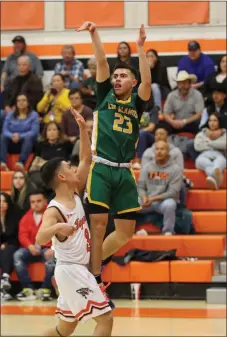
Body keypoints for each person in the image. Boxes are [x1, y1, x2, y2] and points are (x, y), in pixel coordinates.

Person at [76, 22, 151, 290]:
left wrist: (140, 48)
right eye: (116, 76)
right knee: (98, 227)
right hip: (102, 168)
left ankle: (87, 267)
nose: (117, 79)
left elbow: (147, 81)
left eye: (123, 76)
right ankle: (94, 279)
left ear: (132, 82)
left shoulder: (137, 102)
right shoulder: (104, 94)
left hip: (125, 170)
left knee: (124, 233)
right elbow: (102, 62)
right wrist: (95, 34)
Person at [35, 108, 113, 337]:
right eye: (68, 168)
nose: (73, 168)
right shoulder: (54, 209)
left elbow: (86, 158)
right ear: (61, 177)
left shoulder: (75, 192)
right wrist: (58, 227)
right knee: (105, 319)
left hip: (77, 270)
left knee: (65, 329)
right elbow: (40, 238)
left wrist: (82, 129)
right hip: (70, 271)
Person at [14, 190, 55, 301]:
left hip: (47, 248)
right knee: (18, 255)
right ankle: (28, 289)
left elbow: (58, 234)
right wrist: (29, 246)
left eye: (38, 201)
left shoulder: (53, 214)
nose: (35, 204)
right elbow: (22, 235)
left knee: (52, 258)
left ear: (45, 201)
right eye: (32, 202)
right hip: (31, 248)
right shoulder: (26, 217)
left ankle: (46, 289)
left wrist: (52, 249)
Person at [138, 140, 183, 235]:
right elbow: (141, 186)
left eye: (162, 149)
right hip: (147, 201)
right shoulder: (147, 167)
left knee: (170, 204)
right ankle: (129, 230)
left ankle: (168, 232)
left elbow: (173, 192)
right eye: (157, 149)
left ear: (168, 152)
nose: (159, 151)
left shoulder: (176, 169)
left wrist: (153, 199)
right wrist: (144, 197)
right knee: (128, 203)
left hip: (163, 202)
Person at [1, 93, 40, 171]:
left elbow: (34, 132)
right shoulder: (10, 114)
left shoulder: (34, 115)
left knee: (29, 137)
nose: (21, 102)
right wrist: (12, 135)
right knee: (2, 137)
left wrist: (19, 136)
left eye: (23, 100)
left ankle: (21, 163)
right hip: (11, 141)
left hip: (27, 142)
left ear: (28, 102)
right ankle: (2, 163)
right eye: (18, 101)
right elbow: (5, 130)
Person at [0, 192, 23, 301]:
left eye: (4, 201)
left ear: (8, 203)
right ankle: (4, 283)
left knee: (8, 250)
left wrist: (6, 244)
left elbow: (16, 236)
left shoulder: (14, 216)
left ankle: (4, 278)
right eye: (0, 201)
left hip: (12, 245)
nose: (1, 204)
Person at [194, 113, 226, 190]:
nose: (212, 123)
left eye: (215, 120)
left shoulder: (225, 134)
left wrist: (208, 142)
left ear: (219, 122)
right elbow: (197, 146)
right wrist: (216, 144)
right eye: (210, 120)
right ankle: (216, 175)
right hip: (204, 155)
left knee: (220, 161)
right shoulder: (201, 134)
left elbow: (224, 144)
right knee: (201, 161)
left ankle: (213, 177)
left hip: (219, 155)